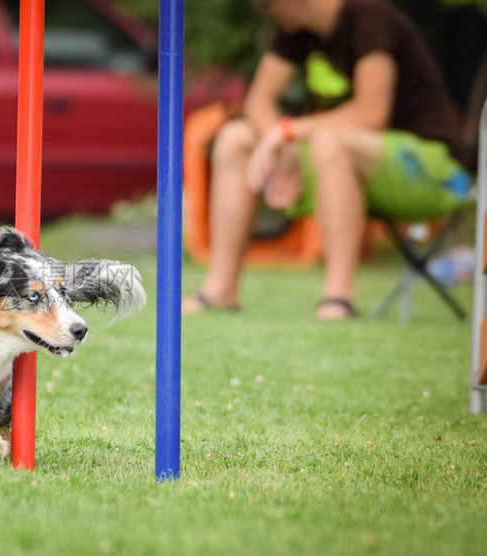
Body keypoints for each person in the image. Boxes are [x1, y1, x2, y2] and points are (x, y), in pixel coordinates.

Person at [182, 0, 472, 320]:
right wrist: (282, 149)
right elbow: (257, 103)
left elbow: (370, 113)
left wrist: (288, 132)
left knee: (330, 143)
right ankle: (220, 288)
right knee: (236, 139)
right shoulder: (296, 33)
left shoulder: (370, 17)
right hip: (347, 163)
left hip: (434, 171)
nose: (261, 11)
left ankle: (338, 297)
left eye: (264, 5)